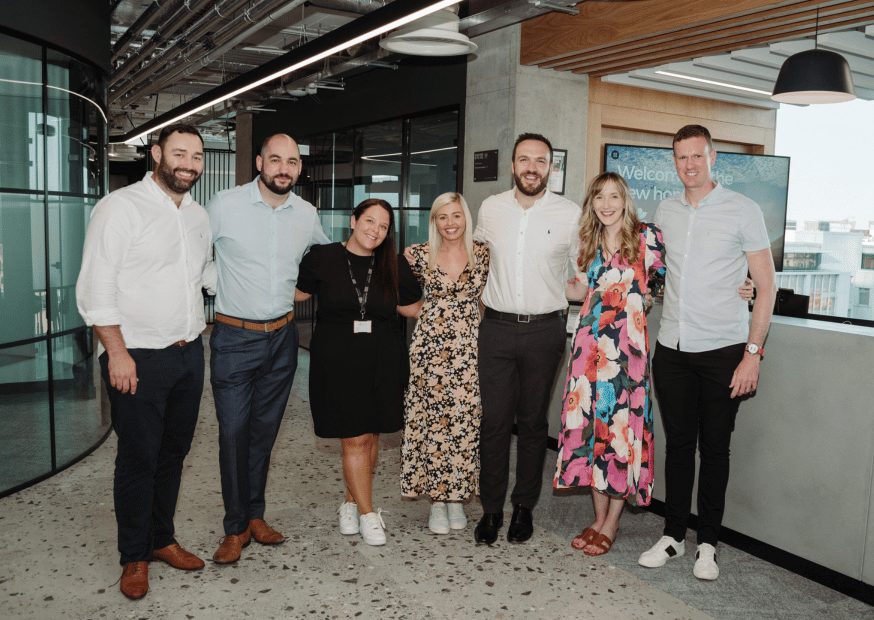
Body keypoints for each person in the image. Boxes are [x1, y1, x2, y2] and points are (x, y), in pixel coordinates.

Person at [76, 124, 215, 599]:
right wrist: (116, 352)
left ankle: (161, 539)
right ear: (157, 153)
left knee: (173, 453)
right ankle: (134, 555)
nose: (189, 164)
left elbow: (200, 274)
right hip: (135, 356)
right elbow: (95, 287)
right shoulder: (120, 208)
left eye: (197, 156)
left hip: (189, 352)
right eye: (180, 153)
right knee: (139, 457)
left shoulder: (197, 215)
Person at [638, 125, 776, 580]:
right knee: (678, 447)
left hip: (724, 350)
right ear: (674, 162)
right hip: (673, 348)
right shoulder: (665, 210)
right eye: (682, 157)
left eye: (697, 156)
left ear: (712, 157)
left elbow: (766, 285)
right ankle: (673, 535)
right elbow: (661, 273)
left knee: (715, 449)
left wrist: (752, 354)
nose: (690, 165)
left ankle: (708, 544)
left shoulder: (743, 209)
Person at [206, 134, 329, 564]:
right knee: (233, 433)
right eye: (275, 159)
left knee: (264, 433)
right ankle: (235, 527)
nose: (283, 168)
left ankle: (254, 515)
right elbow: (194, 253)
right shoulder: (225, 204)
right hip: (234, 338)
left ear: (299, 168)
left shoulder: (306, 213)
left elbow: (323, 258)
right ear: (259, 162)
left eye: (292, 161)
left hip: (282, 338)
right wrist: (218, 283)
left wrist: (305, 288)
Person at [473, 133, 582, 545]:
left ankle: (523, 508)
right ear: (513, 165)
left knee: (534, 423)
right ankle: (490, 509)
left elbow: (584, 274)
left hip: (545, 331)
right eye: (524, 159)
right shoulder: (491, 208)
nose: (531, 167)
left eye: (540, 161)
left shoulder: (569, 213)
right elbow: (477, 265)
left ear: (551, 167)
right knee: (494, 422)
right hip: (496, 329)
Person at [295, 199, 422, 546]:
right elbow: (296, 292)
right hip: (337, 360)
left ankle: (350, 504)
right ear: (353, 221)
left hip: (383, 359)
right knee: (353, 438)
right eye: (369, 221)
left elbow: (411, 307)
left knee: (369, 438)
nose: (375, 230)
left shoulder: (393, 264)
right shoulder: (323, 257)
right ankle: (368, 514)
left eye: (383, 226)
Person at [555, 172, 665, 556]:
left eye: (614, 196)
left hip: (627, 357)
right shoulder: (588, 241)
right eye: (599, 197)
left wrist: (743, 287)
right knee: (592, 435)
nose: (606, 204)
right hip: (588, 353)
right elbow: (580, 291)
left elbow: (665, 282)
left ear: (625, 200)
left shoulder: (647, 238)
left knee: (620, 435)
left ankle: (612, 523)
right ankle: (598, 518)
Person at [400, 193, 490, 534]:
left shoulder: (483, 253)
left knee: (465, 422)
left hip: (470, 348)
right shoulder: (418, 255)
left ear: (466, 217)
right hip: (430, 351)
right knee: (433, 422)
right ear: (434, 221)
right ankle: (437, 501)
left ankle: (457, 498)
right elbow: (395, 297)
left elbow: (489, 300)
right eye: (442, 217)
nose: (450, 223)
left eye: (456, 215)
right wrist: (431, 314)